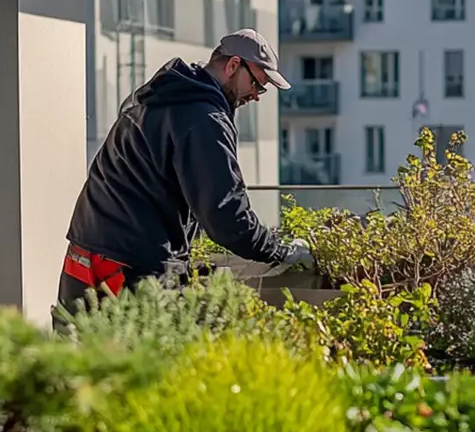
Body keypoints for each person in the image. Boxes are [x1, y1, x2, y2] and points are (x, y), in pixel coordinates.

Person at [56, 29, 314, 324]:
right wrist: (281, 252)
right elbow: (228, 217)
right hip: (130, 270)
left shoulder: (156, 98)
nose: (255, 95)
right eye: (257, 83)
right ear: (233, 66)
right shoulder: (204, 120)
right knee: (150, 365)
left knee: (76, 361)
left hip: (84, 256)